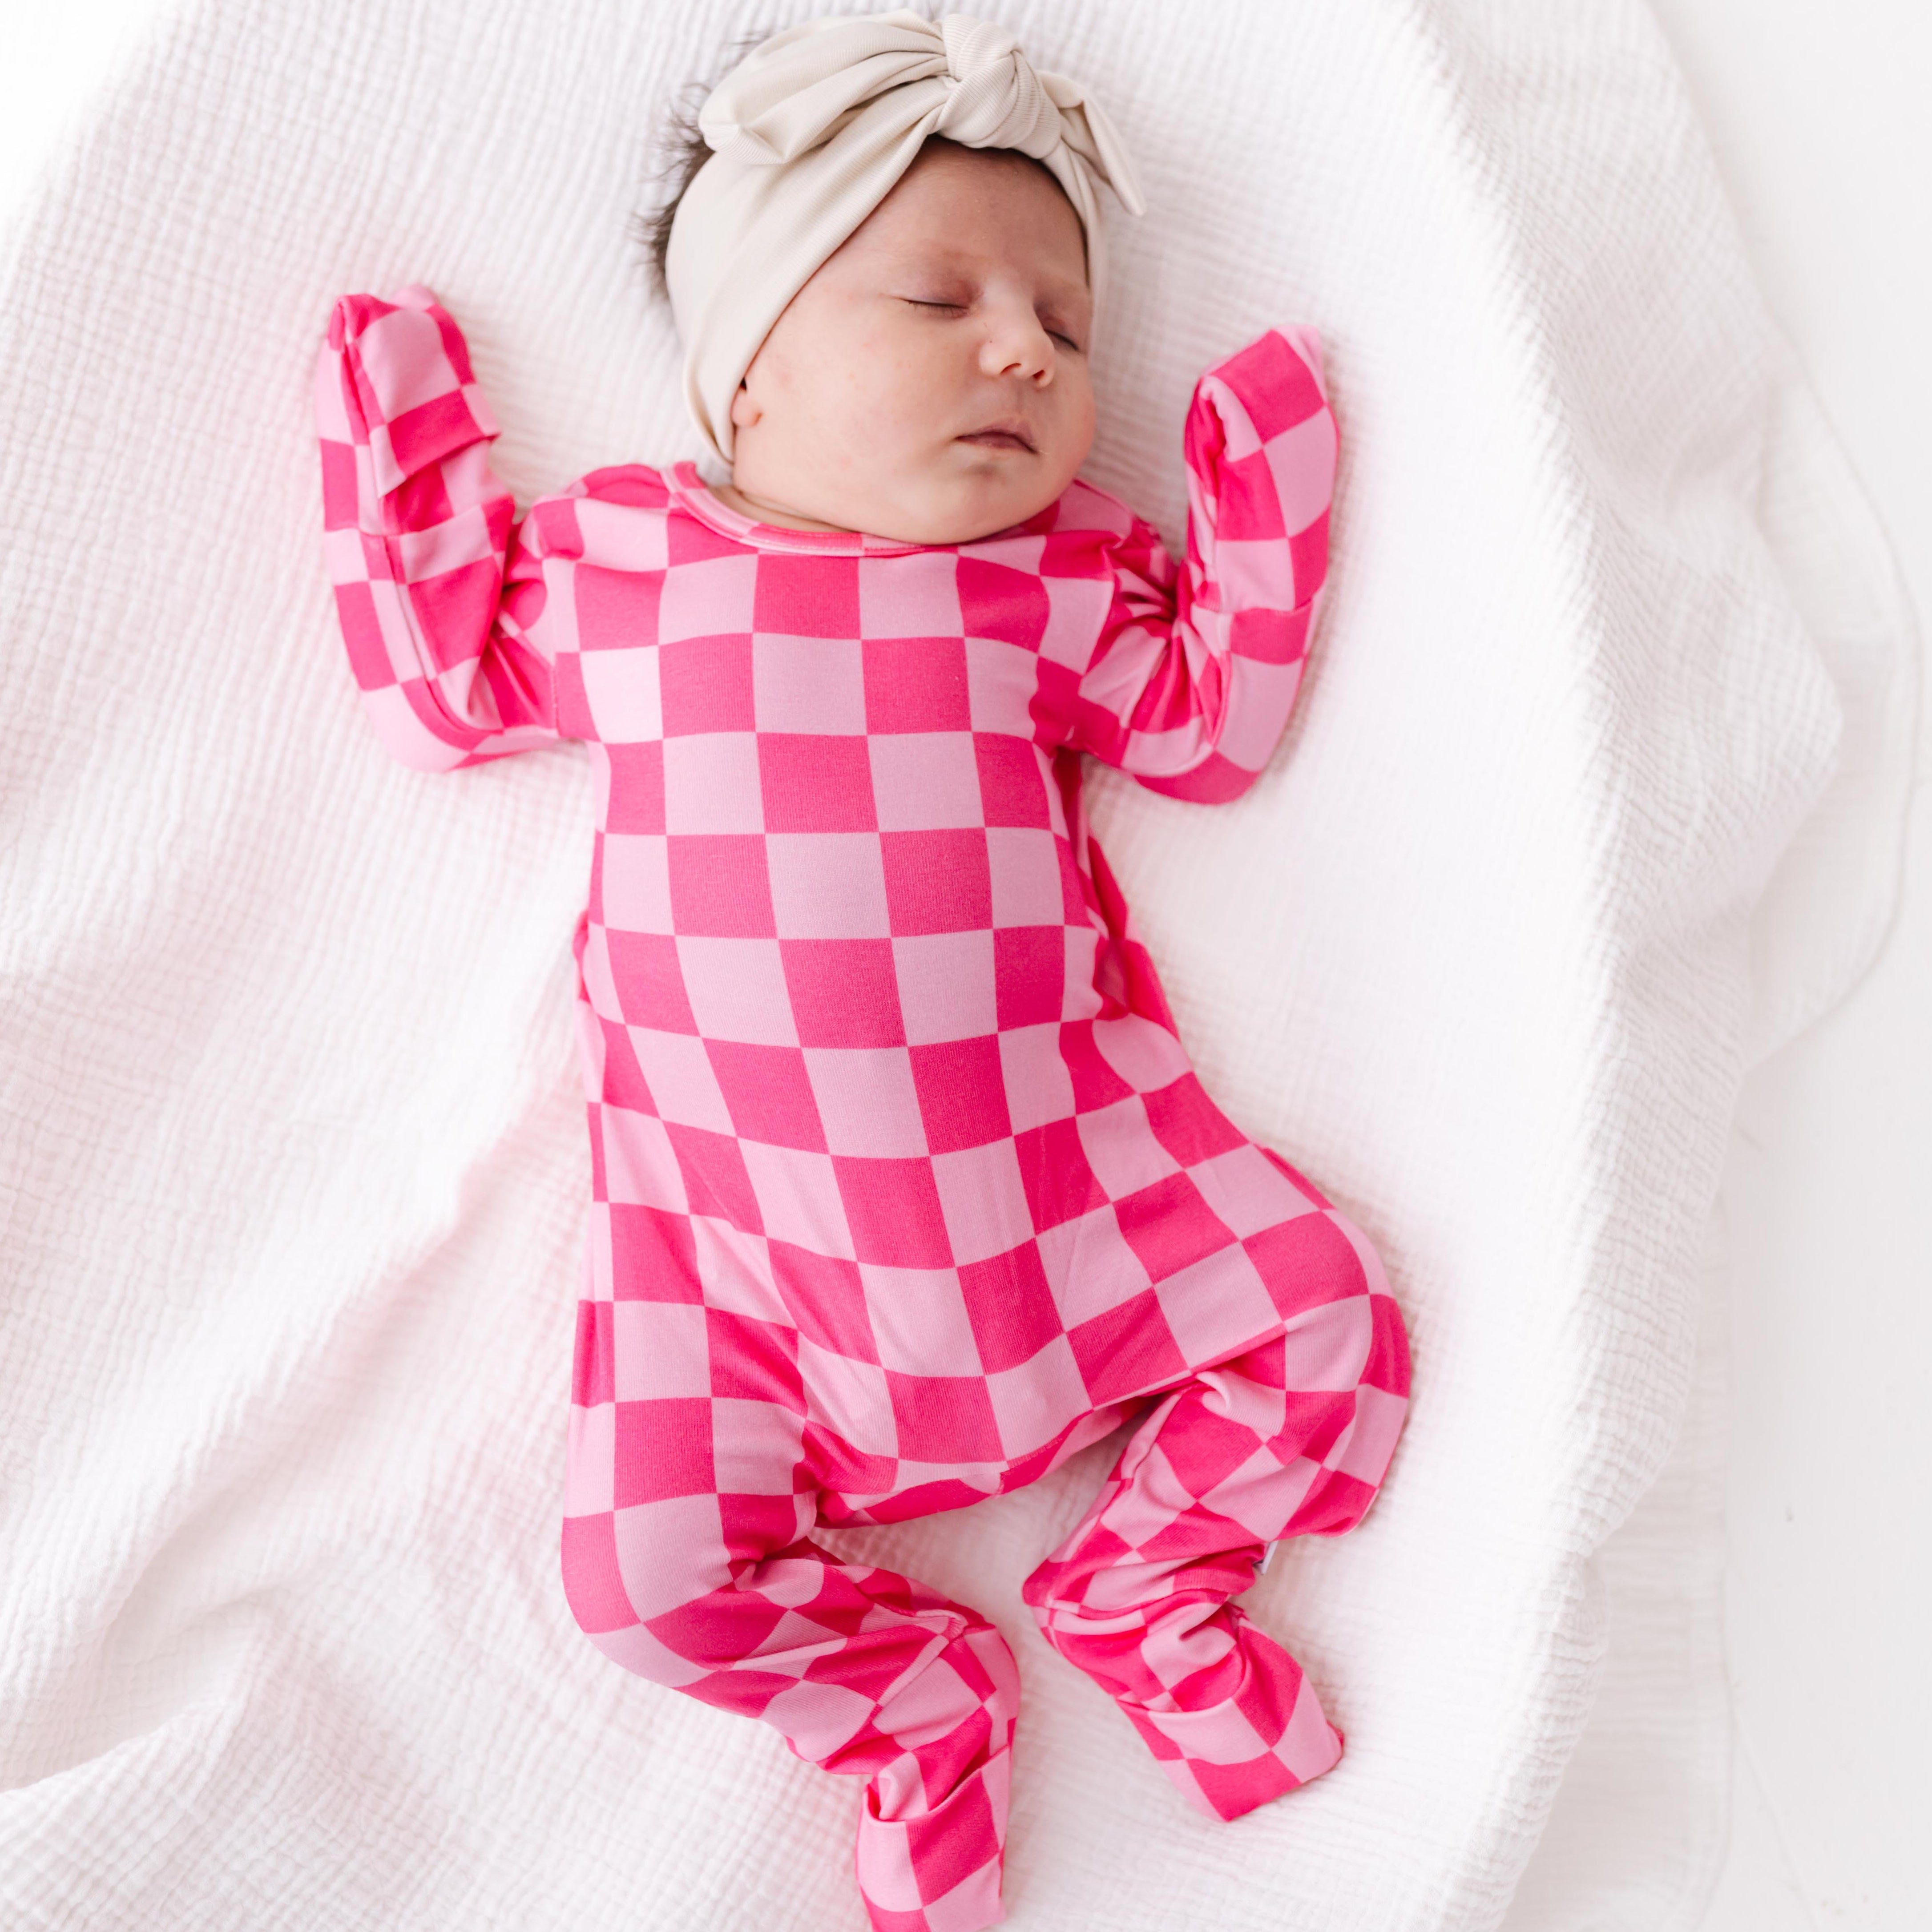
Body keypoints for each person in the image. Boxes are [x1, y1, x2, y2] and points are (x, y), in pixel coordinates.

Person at [314, 14, 1409, 1930]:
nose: (1027, 353)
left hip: (1065, 1186)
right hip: (744, 1272)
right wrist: (400, 434)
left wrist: (1259, 510)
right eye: (942, 297)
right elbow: (444, 690)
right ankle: (910, 1702)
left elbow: (1208, 731)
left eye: (1068, 331)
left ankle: (1146, 1585)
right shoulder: (632, 566)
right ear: (751, 371)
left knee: (1333, 1320)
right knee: (640, 1582)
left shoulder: (1053, 574)